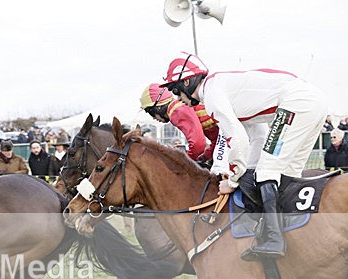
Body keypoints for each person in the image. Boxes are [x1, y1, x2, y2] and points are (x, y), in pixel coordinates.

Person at [160, 52, 327, 261]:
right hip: (312, 102)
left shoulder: (211, 95)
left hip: (297, 104)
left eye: (176, 90)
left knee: (267, 171)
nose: (177, 98)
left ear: (187, 82)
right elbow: (258, 136)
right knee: (287, 174)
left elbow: (237, 139)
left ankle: (274, 240)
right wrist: (244, 173)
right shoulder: (224, 89)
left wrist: (233, 179)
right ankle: (292, 234)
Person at [140, 83, 218, 163]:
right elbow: (216, 139)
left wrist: (184, 162)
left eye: (151, 113)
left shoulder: (175, 110)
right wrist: (205, 156)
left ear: (158, 107)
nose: (153, 118)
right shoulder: (178, 107)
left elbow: (198, 145)